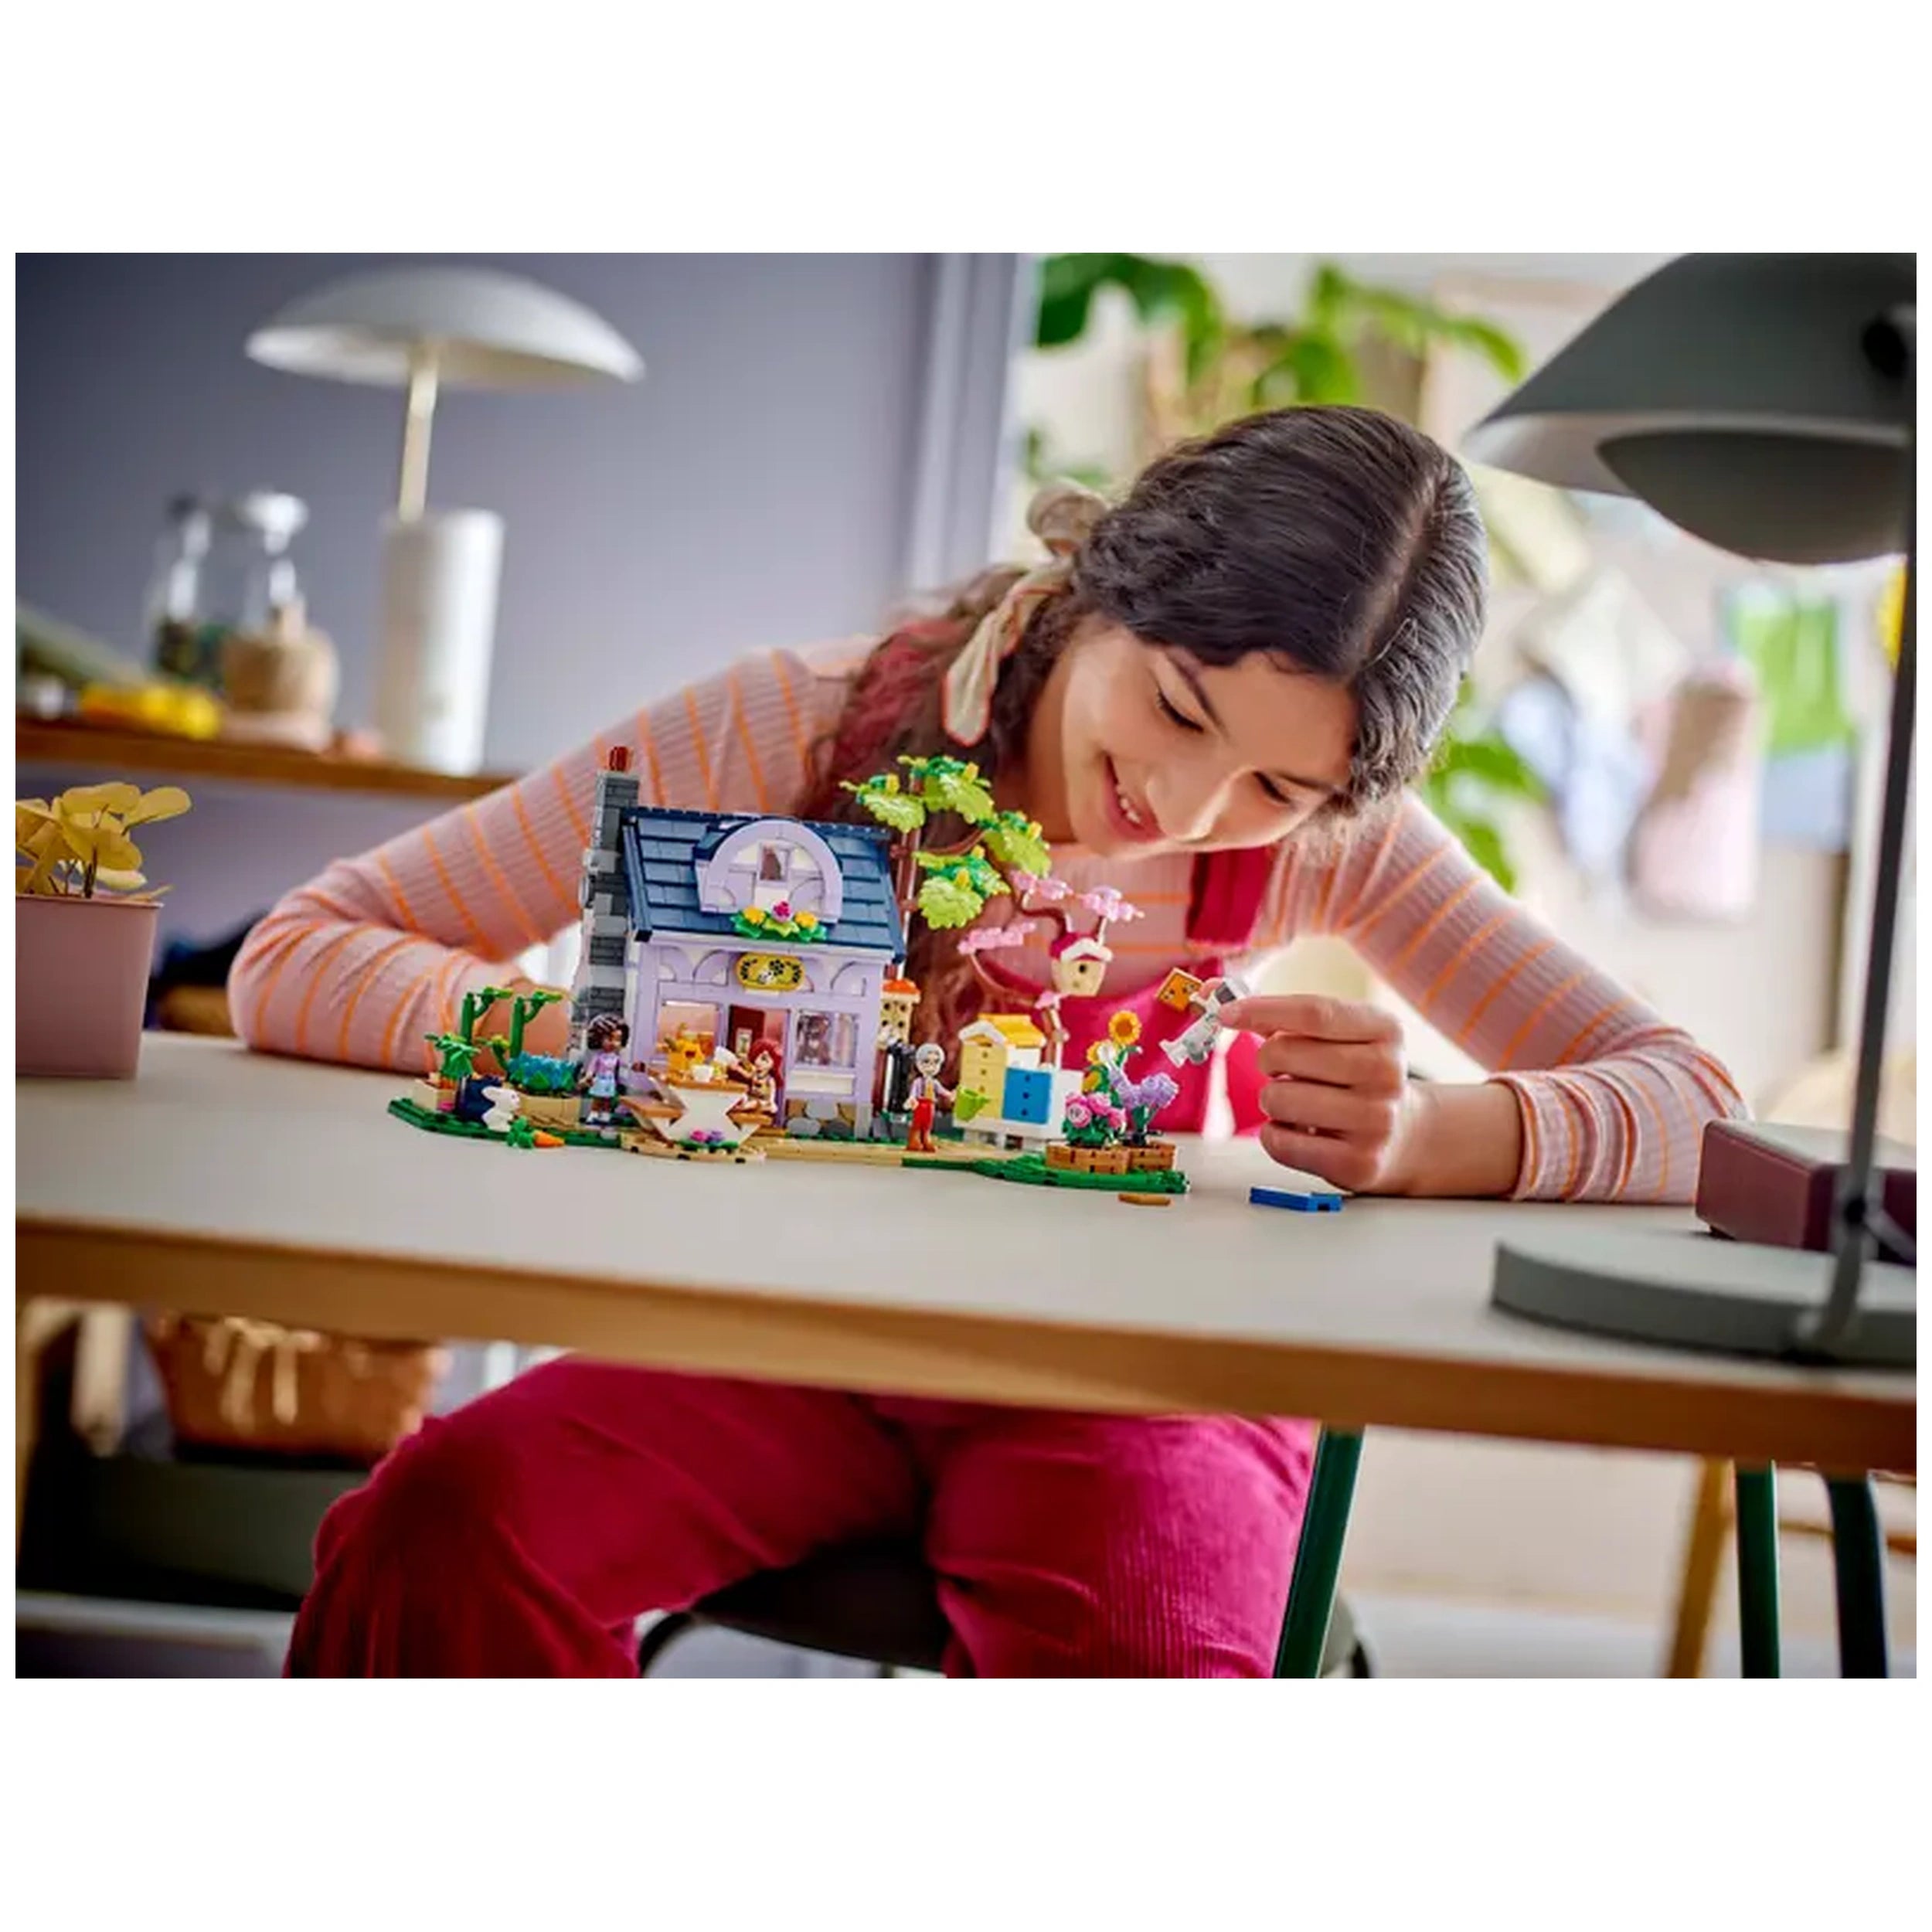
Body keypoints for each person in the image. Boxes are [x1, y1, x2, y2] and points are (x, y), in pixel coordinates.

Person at [233, 406, 1745, 1677]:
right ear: (1102, 573)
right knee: (442, 1528)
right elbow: (298, 957)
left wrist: (1427, 1134)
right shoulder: (796, 728)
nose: (1191, 804)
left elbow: (1694, 1108)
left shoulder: (1327, 841)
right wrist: (602, 1025)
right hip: (796, 1343)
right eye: (1173, 705)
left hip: (1146, 1385)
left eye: (1278, 788)